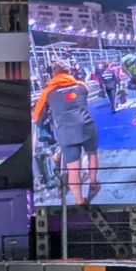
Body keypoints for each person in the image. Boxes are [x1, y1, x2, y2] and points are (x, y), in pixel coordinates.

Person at [32, 60, 100, 205]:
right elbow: (83, 95)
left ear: (53, 74)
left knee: (73, 168)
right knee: (92, 154)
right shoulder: (81, 85)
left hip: (67, 133)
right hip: (87, 126)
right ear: (69, 71)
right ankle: (93, 183)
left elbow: (37, 117)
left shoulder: (48, 92)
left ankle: (80, 201)